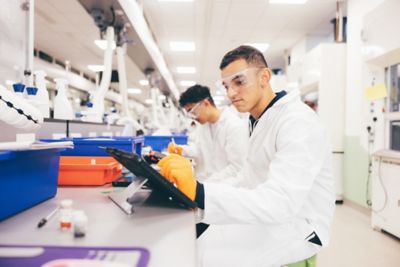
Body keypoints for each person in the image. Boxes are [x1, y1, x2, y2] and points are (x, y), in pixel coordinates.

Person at [158, 45, 335, 267]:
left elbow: (281, 202)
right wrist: (196, 193)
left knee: (209, 258)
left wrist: (200, 193)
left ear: (264, 76)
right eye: (226, 86)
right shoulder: (258, 119)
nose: (231, 93)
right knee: (200, 241)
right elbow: (246, 177)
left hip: (301, 224)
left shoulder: (298, 122)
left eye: (239, 82)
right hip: (269, 214)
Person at [167, 84, 248, 183]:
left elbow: (237, 168)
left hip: (226, 187)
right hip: (207, 184)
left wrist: (206, 184)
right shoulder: (203, 125)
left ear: (205, 103)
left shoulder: (234, 125)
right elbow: (200, 150)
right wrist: (182, 150)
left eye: (192, 111)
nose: (192, 117)